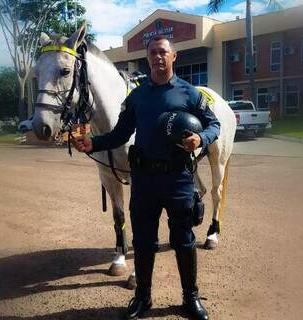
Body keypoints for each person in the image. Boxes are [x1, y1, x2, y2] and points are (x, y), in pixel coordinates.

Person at [73, 35, 220, 320]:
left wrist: (200, 138)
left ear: (173, 56)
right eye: (153, 52)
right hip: (144, 181)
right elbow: (119, 134)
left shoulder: (190, 94)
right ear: (148, 57)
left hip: (178, 178)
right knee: (143, 242)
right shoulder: (137, 97)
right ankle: (143, 298)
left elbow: (213, 125)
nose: (158, 57)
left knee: (184, 240)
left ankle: (190, 298)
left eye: (163, 52)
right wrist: (94, 143)